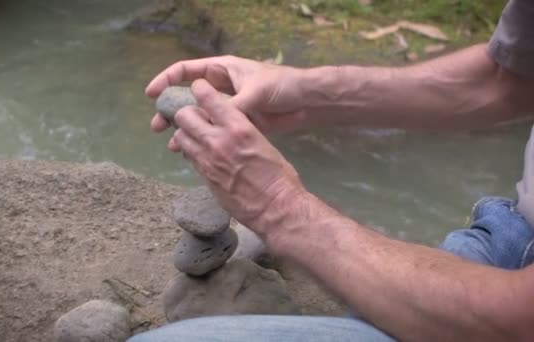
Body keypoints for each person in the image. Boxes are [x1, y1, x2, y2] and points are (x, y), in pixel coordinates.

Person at [131, 0, 534, 340]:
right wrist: (304, 93)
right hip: (510, 234)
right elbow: (505, 80)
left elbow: (516, 320)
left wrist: (279, 207)